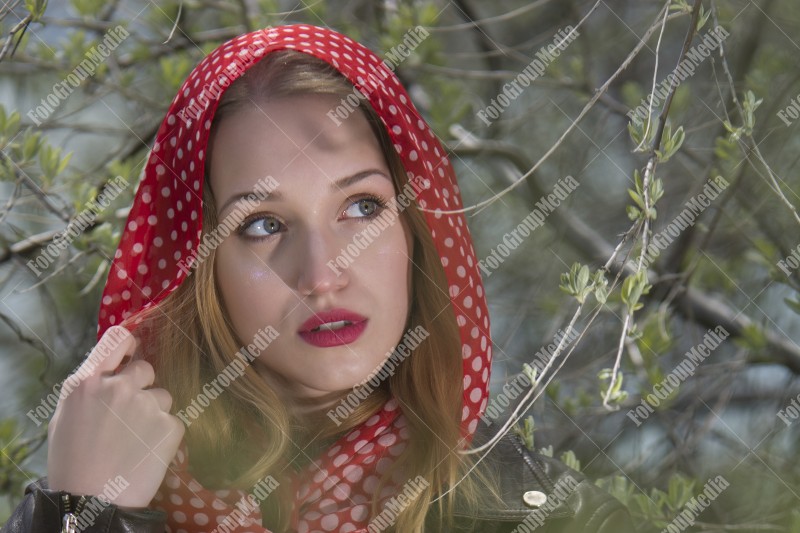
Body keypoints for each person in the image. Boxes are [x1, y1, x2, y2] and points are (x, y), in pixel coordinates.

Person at [3, 24, 635, 533]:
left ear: (415, 227)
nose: (322, 274)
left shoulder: (554, 516)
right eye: (262, 225)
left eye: (361, 208)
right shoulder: (107, 491)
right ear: (200, 268)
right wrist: (82, 512)